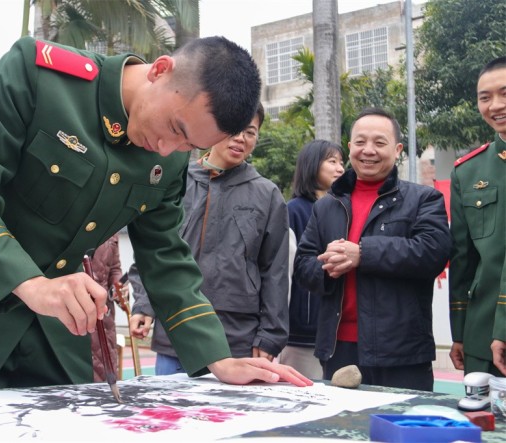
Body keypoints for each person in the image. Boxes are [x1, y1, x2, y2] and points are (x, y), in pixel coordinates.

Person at [0, 35, 312, 393]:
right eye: (176, 129)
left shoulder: (169, 159)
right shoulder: (38, 75)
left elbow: (165, 255)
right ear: (160, 70)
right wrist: (32, 283)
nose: (168, 151)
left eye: (190, 148)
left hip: (60, 335)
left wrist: (218, 358)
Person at [294, 107, 451, 391]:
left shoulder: (423, 199)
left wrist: (363, 254)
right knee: (340, 431)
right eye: (360, 142)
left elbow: (433, 253)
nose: (368, 150)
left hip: (401, 353)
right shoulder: (326, 205)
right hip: (337, 348)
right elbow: (303, 265)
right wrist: (328, 266)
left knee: (402, 432)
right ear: (350, 146)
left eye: (379, 142)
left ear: (398, 149)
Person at [129, 104, 291, 375]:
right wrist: (144, 304)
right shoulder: (177, 181)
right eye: (234, 129)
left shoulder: (267, 194)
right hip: (177, 330)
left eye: (250, 132)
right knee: (171, 414)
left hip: (238, 338)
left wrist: (270, 336)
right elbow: (153, 250)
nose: (241, 138)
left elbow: (275, 271)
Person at [449, 56, 506, 377]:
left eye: (504, 93)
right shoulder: (469, 171)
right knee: (484, 426)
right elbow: (462, 257)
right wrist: (459, 332)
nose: (495, 105)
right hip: (481, 337)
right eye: (485, 97)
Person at [277, 140, 345, 379]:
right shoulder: (293, 210)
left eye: (341, 163)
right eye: (332, 161)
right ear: (312, 165)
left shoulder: (340, 209)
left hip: (331, 331)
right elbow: (283, 273)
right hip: (299, 334)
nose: (340, 169)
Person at [89, 235, 122, 382]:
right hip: (72, 312)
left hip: (104, 317)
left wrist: (119, 285)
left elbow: (115, 268)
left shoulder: (113, 225)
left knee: (104, 374)